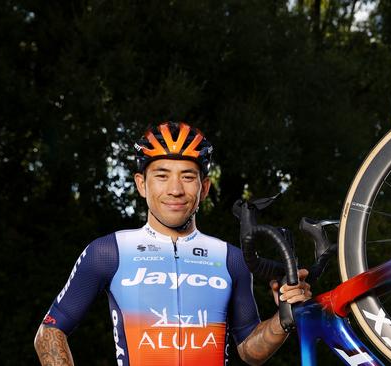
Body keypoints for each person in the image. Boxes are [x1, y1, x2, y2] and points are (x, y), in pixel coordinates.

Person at [34, 121, 311, 365]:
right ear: (142, 184)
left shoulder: (231, 258)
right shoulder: (109, 252)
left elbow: (250, 352)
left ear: (204, 188)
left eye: (188, 177)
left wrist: (284, 318)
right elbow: (50, 331)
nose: (175, 189)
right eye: (162, 175)